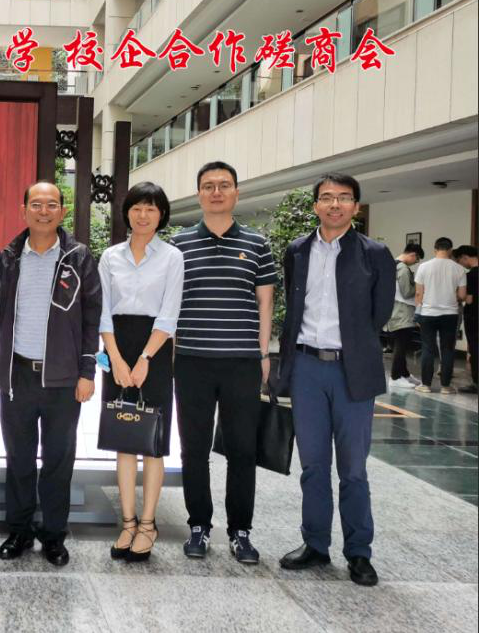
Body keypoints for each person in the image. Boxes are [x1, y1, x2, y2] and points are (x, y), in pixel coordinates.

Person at [278, 172, 395, 587]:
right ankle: (315, 544)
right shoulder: (297, 250)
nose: (334, 204)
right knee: (312, 464)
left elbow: (380, 313)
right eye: (326, 197)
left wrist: (353, 347)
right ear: (315, 206)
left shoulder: (374, 253)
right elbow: (293, 306)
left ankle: (359, 552)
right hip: (307, 367)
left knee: (353, 468)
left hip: (352, 371)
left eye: (343, 198)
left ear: (355, 207)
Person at [0, 181, 101, 567]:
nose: (43, 211)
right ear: (23, 211)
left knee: (58, 461)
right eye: (36, 204)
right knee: (19, 458)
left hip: (63, 380)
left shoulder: (78, 257)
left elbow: (91, 318)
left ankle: (53, 535)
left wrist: (87, 371)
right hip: (17, 375)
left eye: (51, 204)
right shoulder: (9, 257)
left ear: (62, 212)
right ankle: (19, 531)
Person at [171, 161, 276, 564]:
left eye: (224, 185)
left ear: (236, 193)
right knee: (193, 449)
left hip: (242, 363)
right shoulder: (179, 245)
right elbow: (170, 304)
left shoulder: (257, 243)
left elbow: (265, 301)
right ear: (198, 193)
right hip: (192, 362)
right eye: (209, 186)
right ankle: (199, 526)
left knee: (242, 450)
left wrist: (263, 353)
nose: (216, 192)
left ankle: (240, 531)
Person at [99, 183, 183, 562]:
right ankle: (128, 522)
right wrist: (116, 359)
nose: (143, 215)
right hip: (117, 346)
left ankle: (148, 524)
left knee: (151, 440)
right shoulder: (110, 257)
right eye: (136, 208)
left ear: (161, 214)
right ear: (127, 212)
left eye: (151, 208)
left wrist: (146, 358)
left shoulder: (172, 257)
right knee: (123, 436)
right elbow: (102, 312)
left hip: (156, 351)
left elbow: (169, 314)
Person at [414, 237, 467, 394]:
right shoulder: (459, 269)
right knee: (448, 349)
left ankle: (426, 385)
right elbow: (462, 295)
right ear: (450, 250)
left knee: (427, 349)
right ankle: (445, 386)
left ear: (435, 249)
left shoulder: (423, 267)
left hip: (428, 313)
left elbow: (418, 294)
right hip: (450, 314)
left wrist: (418, 313)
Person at [386, 243, 424, 389]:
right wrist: (420, 287)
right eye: (417, 259)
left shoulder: (392, 264)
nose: (416, 262)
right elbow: (407, 292)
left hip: (393, 310)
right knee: (401, 345)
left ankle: (404, 374)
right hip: (402, 312)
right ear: (412, 254)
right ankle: (395, 377)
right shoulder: (402, 268)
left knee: (400, 343)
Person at [452, 245, 477, 393]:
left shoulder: (471, 275)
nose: (460, 264)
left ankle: (476, 383)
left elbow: (468, 299)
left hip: (474, 317)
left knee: (475, 348)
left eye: (460, 260)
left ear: (465, 257)